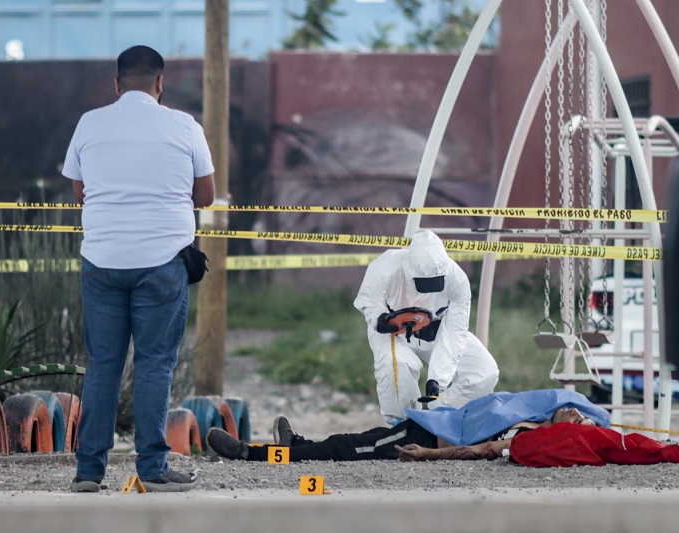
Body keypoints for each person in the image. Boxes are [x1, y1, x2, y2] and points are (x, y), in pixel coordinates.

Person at [62, 45, 215, 493]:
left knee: (103, 365)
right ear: (160, 84)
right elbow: (205, 196)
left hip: (102, 262)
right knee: (154, 365)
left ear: (117, 84)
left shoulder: (89, 123)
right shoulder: (184, 126)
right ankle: (152, 467)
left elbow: (79, 192)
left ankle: (88, 472)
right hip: (162, 264)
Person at [205, 389, 611, 463]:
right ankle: (296, 443)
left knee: (343, 448)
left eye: (579, 419)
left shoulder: (531, 438)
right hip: (428, 426)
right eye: (574, 409)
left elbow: (484, 450)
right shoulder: (533, 413)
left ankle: (252, 454)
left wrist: (429, 455)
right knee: (354, 442)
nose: (573, 413)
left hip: (425, 438)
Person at [353, 229, 500, 425]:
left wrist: (437, 379)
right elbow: (368, 299)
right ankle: (404, 424)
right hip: (394, 331)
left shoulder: (457, 279)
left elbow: (454, 332)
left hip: (437, 330)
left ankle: (441, 418)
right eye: (424, 283)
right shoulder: (387, 266)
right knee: (396, 365)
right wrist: (380, 319)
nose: (429, 288)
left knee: (484, 371)